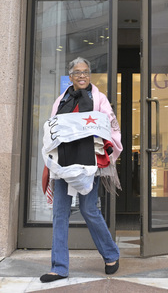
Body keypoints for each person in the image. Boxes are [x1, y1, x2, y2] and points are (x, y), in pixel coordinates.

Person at [40, 57, 123, 283]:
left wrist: (104, 149)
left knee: (89, 210)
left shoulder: (99, 98)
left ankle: (111, 254)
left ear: (90, 74)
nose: (82, 76)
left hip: (88, 163)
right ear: (70, 76)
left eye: (86, 72)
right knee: (59, 212)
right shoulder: (61, 99)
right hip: (64, 163)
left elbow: (111, 126)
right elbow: (52, 128)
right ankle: (59, 267)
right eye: (77, 72)